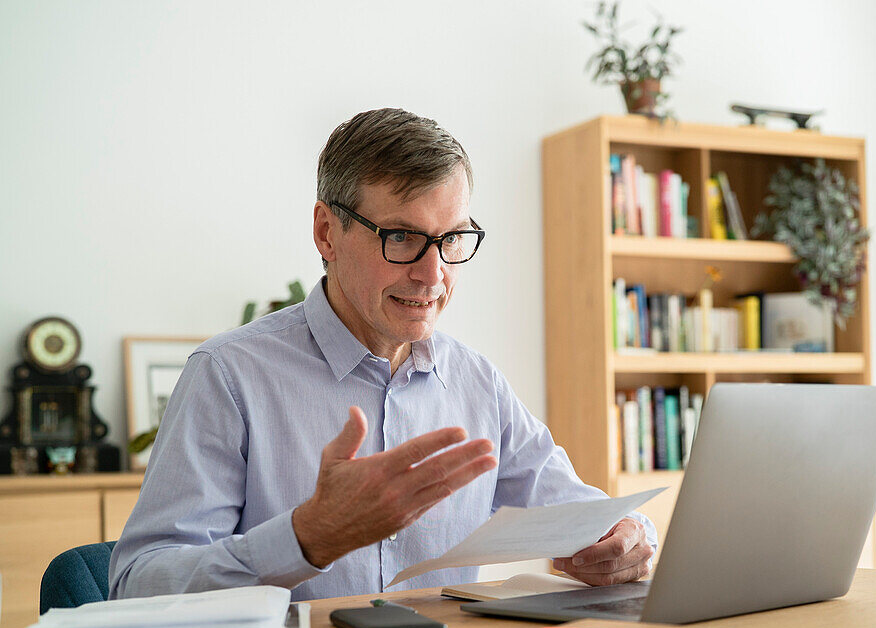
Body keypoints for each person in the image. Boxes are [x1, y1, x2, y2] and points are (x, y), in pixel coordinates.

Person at [109, 108, 656, 601]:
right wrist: (308, 538)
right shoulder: (229, 376)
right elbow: (139, 584)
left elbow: (588, 517)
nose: (433, 273)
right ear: (327, 232)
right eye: (400, 237)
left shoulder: (476, 382)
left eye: (452, 239)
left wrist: (627, 538)